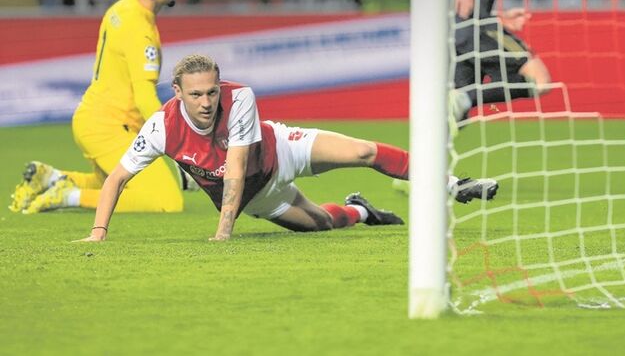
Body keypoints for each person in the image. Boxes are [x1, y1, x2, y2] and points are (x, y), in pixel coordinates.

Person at [74, 54, 498, 242]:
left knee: (364, 152)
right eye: (196, 95)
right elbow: (117, 178)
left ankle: (453, 183)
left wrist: (223, 232)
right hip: (258, 198)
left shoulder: (239, 97)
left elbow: (236, 166)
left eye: (211, 92)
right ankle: (362, 211)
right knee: (324, 226)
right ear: (178, 92)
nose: (206, 103)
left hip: (281, 150)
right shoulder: (161, 127)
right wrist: (98, 234)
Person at [9, 0, 185, 214]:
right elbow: (144, 96)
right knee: (166, 202)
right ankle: (68, 196)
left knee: (111, 182)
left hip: (94, 118)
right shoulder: (141, 30)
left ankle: (52, 179)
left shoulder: (121, 9)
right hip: (111, 125)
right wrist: (179, 147)